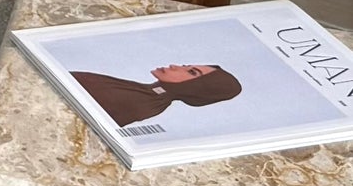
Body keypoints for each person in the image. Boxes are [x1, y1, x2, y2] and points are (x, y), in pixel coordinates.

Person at [69, 61, 244, 126]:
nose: (175, 66)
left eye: (191, 72)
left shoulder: (144, 101)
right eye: (186, 65)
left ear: (197, 87)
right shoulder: (147, 94)